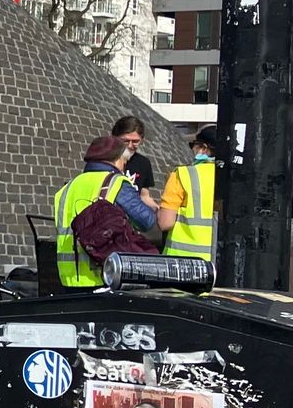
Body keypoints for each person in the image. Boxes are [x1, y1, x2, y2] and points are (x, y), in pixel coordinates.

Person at [53, 135, 161, 289]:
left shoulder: (69, 187)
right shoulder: (115, 183)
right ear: (118, 160)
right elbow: (146, 221)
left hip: (68, 277)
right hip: (104, 272)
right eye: (124, 162)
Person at [158, 125, 220, 263]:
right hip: (218, 263)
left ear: (204, 148)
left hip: (181, 263)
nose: (192, 149)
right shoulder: (234, 179)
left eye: (194, 145)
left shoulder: (183, 175)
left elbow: (165, 223)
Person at [112, 115, 156, 196]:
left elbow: (144, 196)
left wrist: (157, 208)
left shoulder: (143, 163)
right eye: (125, 141)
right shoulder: (104, 160)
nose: (129, 145)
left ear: (142, 140)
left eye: (135, 141)